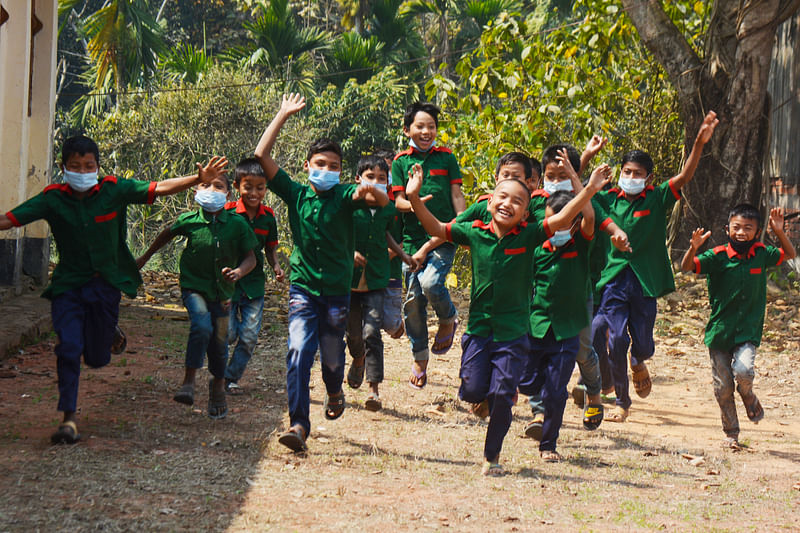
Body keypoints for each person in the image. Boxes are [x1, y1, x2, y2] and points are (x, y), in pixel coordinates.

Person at [0, 134, 227, 443]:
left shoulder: (113, 190)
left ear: (97, 166)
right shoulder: (52, 198)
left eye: (88, 165)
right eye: (74, 166)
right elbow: (11, 219)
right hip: (68, 285)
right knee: (68, 348)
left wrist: (197, 179)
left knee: (96, 358)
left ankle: (110, 333)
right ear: (62, 167)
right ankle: (69, 419)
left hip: (104, 285)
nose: (82, 172)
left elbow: (157, 188)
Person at [406, 159, 611, 475]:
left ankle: (492, 456)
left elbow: (564, 219)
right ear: (489, 203)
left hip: (514, 332)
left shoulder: (529, 236)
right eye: (503, 197)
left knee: (503, 394)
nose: (508, 204)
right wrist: (416, 198)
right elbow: (436, 229)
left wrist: (590, 189)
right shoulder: (474, 233)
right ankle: (486, 397)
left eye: (518, 201)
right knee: (473, 390)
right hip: (479, 329)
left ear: (526, 214)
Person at [254, 93, 390, 452]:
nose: (326, 170)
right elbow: (261, 156)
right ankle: (298, 424)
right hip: (303, 288)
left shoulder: (346, 195)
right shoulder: (296, 195)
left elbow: (383, 202)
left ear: (341, 171)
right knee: (298, 351)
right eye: (320, 163)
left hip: (336, 293)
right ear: (306, 164)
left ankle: (334, 390)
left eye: (333, 165)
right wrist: (282, 114)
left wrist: (370, 191)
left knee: (332, 356)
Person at [593, 110, 719, 422]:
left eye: (637, 173)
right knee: (612, 337)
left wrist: (699, 145)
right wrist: (578, 165)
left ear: (649, 177)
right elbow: (584, 200)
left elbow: (686, 176)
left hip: (645, 282)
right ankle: (622, 401)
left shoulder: (657, 197)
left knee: (643, 344)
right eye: (626, 171)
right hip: (614, 280)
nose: (631, 177)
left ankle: (639, 361)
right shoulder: (608, 197)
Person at [137, 168, 258, 420]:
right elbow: (165, 235)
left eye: (218, 187)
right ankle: (189, 381)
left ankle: (217, 386)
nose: (211, 192)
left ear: (228, 193)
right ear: (195, 190)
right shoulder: (189, 220)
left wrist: (237, 272)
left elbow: (251, 259)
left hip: (224, 295)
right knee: (201, 326)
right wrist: (144, 257)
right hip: (194, 288)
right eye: (205, 186)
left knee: (220, 342)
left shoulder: (237, 225)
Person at [680, 204, 795, 449]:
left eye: (748, 228)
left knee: (743, 373)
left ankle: (749, 395)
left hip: (748, 331)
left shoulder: (762, 252)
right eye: (737, 227)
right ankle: (731, 433)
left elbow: (790, 254)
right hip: (720, 332)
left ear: (757, 231)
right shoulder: (718, 256)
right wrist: (693, 247)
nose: (742, 232)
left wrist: (780, 231)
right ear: (727, 229)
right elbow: (686, 267)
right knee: (722, 388)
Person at [390, 102, 466, 389]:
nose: (426, 131)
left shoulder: (447, 158)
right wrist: (415, 201)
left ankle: (448, 319)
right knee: (413, 300)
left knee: (433, 283)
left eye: (431, 126)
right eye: (420, 126)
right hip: (411, 241)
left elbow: (457, 194)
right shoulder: (400, 162)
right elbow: (398, 202)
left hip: (443, 235)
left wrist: (462, 221)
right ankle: (420, 358)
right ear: (407, 129)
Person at [345, 155, 416, 411]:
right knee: (353, 333)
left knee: (371, 331)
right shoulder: (349, 205)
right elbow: (337, 232)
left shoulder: (388, 209)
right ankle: (358, 359)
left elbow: (387, 233)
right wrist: (348, 253)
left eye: (382, 179)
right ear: (358, 179)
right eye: (370, 177)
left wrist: (403, 253)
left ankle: (374, 389)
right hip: (349, 281)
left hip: (377, 278)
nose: (376, 182)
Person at [223, 158, 286, 395]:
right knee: (228, 334)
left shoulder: (268, 217)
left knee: (249, 337)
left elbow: (270, 248)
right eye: (248, 186)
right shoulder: (227, 213)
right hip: (228, 283)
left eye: (260, 187)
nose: (253, 192)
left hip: (254, 284)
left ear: (266, 189)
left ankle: (230, 378)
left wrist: (276, 266)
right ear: (237, 186)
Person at [373, 148, 406, 340]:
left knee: (391, 326)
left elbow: (407, 236)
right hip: (365, 275)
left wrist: (392, 252)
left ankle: (399, 325)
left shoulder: (399, 204)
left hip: (391, 273)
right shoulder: (360, 203)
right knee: (367, 326)